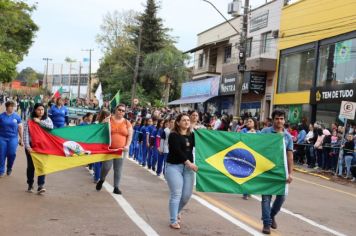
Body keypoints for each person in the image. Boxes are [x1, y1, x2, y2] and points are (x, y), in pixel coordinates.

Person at [260, 110, 293, 234]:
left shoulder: (287, 136)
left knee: (281, 197)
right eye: (277, 118)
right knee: (266, 198)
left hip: (281, 172)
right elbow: (254, 145)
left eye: (282, 119)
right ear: (273, 120)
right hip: (266, 170)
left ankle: (271, 215)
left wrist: (290, 173)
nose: (279, 121)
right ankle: (267, 224)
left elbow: (290, 156)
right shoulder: (264, 132)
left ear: (284, 120)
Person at [165, 113, 198, 230]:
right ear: (178, 123)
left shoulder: (192, 135)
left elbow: (203, 145)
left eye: (188, 120)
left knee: (186, 196)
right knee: (177, 194)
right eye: (183, 120)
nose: (186, 122)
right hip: (174, 167)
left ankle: (177, 211)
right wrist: (189, 163)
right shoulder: (173, 135)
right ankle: (173, 220)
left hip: (188, 169)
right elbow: (178, 151)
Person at [96, 104, 133, 194]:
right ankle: (102, 179)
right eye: (119, 110)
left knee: (118, 169)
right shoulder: (109, 119)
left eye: (123, 111)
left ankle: (116, 187)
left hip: (120, 150)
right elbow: (100, 129)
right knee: (106, 167)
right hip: (109, 149)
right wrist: (104, 122)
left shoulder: (127, 123)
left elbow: (130, 136)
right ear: (115, 110)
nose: (121, 112)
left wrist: (127, 145)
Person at [23, 103, 53, 193]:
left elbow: (51, 127)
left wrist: (39, 122)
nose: (41, 111)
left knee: (42, 166)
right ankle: (30, 184)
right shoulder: (29, 121)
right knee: (31, 167)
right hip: (32, 147)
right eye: (39, 109)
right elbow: (26, 134)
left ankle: (40, 185)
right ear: (35, 110)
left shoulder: (47, 119)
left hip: (43, 147)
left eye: (42, 110)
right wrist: (28, 147)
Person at [0, 100, 23, 177]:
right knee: (1, 154)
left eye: (13, 106)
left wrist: (21, 139)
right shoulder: (1, 116)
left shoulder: (17, 116)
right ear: (7, 107)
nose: (12, 108)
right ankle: (1, 170)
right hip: (2, 138)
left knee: (12, 154)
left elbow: (20, 128)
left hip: (13, 138)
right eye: (10, 106)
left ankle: (9, 167)